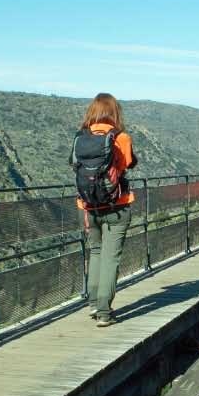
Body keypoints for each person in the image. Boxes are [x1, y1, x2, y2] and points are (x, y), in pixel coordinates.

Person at [72, 93, 138, 327]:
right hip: (117, 206)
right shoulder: (121, 137)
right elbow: (128, 164)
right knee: (111, 257)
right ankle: (104, 311)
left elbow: (74, 165)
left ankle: (92, 303)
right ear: (115, 112)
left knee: (96, 253)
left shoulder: (80, 137)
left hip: (88, 205)